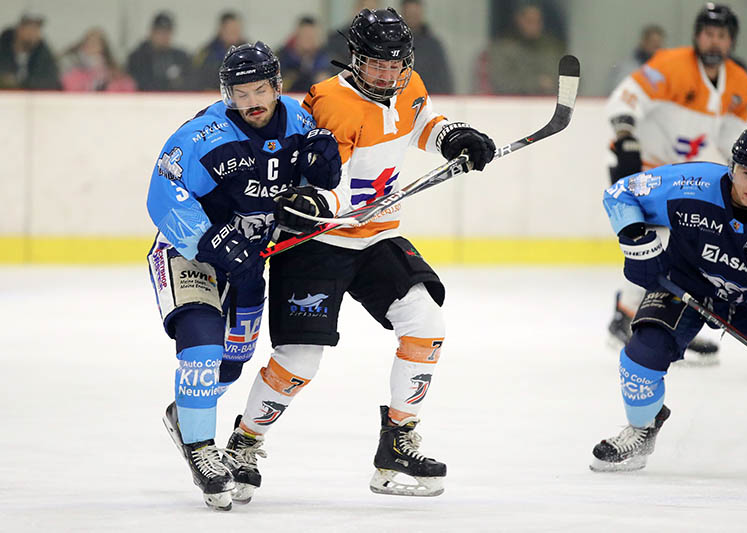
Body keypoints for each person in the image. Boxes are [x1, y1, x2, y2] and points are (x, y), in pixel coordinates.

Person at [223, 7, 495, 501]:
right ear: (355, 59)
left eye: (396, 64)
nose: (388, 74)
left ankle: (397, 443)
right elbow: (323, 180)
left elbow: (423, 122)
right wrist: (318, 205)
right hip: (317, 243)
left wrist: (453, 135)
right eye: (376, 64)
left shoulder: (409, 84)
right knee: (299, 362)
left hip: (375, 236)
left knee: (427, 325)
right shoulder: (331, 101)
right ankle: (243, 443)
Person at [146, 41, 341, 510]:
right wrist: (209, 240)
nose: (251, 102)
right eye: (239, 93)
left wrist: (313, 198)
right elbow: (162, 192)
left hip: (251, 261)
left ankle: (184, 414)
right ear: (226, 94)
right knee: (203, 346)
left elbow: (316, 185)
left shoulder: (299, 121)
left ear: (277, 86)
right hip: (188, 252)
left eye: (259, 90)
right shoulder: (203, 134)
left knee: (231, 364)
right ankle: (201, 450)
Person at [591, 128, 747, 473]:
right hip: (684, 282)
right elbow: (620, 193)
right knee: (640, 359)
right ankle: (643, 428)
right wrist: (637, 243)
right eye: (746, 172)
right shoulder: (692, 183)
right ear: (732, 167)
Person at [605, 3, 747, 364]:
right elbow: (628, 95)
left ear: (731, 41)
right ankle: (626, 317)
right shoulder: (671, 65)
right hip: (642, 168)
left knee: (691, 249)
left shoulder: (737, 81)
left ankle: (665, 322)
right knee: (657, 243)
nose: (713, 40)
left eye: (721, 34)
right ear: (697, 36)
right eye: (707, 33)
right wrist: (625, 134)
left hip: (683, 178)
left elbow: (732, 134)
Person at [485, 3, 565, 95]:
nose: (534, 26)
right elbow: (501, 83)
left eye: (538, 21)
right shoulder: (502, 49)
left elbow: (571, 78)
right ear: (518, 21)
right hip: (513, 104)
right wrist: (536, 83)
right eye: (529, 21)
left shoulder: (553, 49)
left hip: (550, 103)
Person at [127, 12, 192, 92]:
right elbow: (140, 84)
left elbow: (190, 83)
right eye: (160, 32)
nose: (163, 36)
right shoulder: (137, 58)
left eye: (167, 32)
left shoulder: (181, 57)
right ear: (151, 32)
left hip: (175, 101)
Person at [400, 0, 453, 94]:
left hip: (428, 99)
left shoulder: (433, 46)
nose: (412, 16)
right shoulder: (392, 43)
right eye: (409, 12)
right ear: (403, 12)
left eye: (415, 12)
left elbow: (443, 81)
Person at [60, 27, 136, 92]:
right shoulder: (71, 65)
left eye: (97, 43)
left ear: (103, 48)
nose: (93, 47)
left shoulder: (112, 68)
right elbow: (69, 87)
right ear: (83, 46)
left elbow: (128, 86)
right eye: (90, 43)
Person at [0, 12, 60, 90]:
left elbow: (51, 80)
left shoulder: (43, 54)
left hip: (33, 99)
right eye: (30, 28)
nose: (33, 33)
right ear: (19, 29)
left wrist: (20, 84)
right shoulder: (3, 49)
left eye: (37, 29)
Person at [192, 11, 246, 90]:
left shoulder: (248, 51)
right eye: (230, 30)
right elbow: (196, 78)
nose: (234, 33)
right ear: (221, 29)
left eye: (236, 30)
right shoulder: (207, 53)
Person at [277, 16, 331, 93]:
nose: (308, 41)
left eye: (311, 37)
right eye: (304, 36)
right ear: (296, 36)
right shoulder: (282, 58)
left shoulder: (325, 58)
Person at [606, 24, 665, 94]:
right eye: (653, 43)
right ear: (644, 42)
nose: (656, 48)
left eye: (658, 44)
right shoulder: (627, 67)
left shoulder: (663, 69)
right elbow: (618, 91)